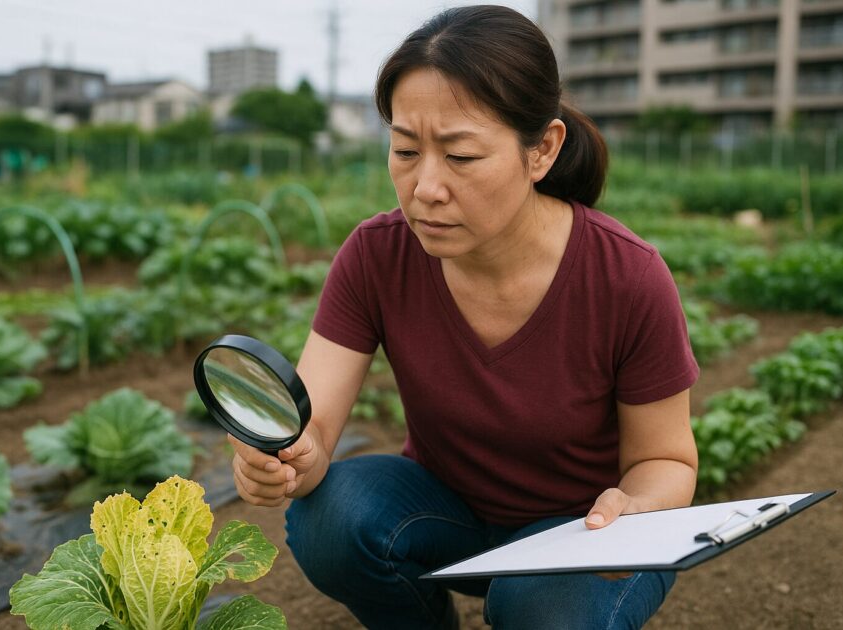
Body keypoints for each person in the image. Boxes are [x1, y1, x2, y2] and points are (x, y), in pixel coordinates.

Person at [227, 5, 699, 628]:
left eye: (461, 156)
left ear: (543, 151)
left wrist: (636, 508)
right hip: (445, 514)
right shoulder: (378, 255)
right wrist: (285, 461)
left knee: (538, 607)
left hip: (585, 535)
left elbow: (667, 460)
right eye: (404, 150)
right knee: (331, 519)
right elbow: (312, 428)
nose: (425, 186)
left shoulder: (626, 276)